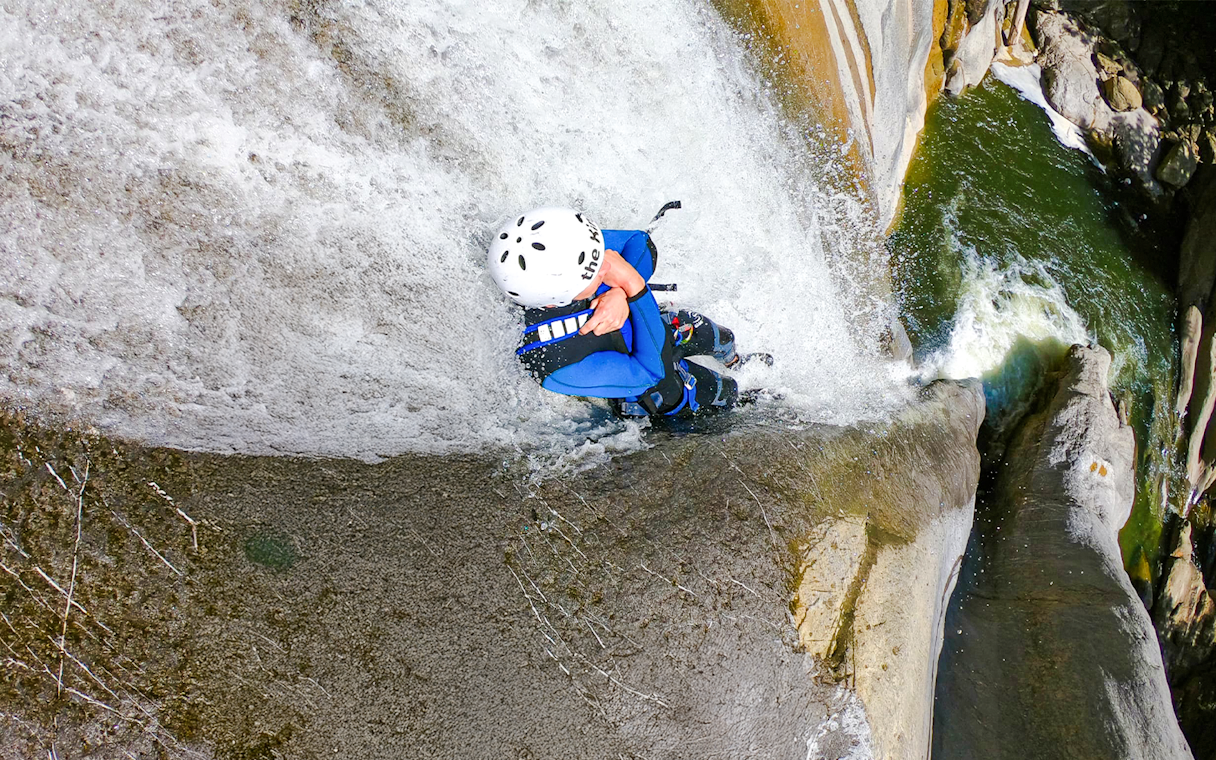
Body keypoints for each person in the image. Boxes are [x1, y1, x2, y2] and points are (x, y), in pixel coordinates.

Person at [487, 206, 768, 418]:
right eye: (593, 275)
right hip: (652, 384)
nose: (606, 267)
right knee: (722, 393)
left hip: (647, 325)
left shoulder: (562, 250)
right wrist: (632, 286)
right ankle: (746, 395)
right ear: (554, 301)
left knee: (712, 333)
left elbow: (639, 242)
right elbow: (652, 372)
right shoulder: (554, 364)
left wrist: (620, 293)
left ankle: (734, 360)